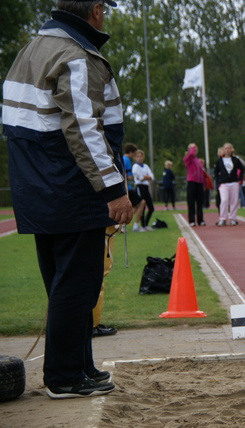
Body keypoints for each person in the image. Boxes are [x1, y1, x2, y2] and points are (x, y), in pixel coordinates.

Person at [3, 0, 132, 399]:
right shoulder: (77, 56)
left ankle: (79, 367)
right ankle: (63, 376)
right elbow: (83, 129)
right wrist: (113, 188)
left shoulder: (31, 48)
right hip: (71, 189)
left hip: (37, 187)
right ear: (94, 10)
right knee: (78, 285)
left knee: (64, 285)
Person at [213, 143, 245, 226]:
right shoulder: (219, 161)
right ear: (223, 150)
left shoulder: (235, 160)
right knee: (224, 200)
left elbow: (242, 169)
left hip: (234, 182)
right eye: (226, 148)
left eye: (229, 148)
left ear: (231, 149)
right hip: (223, 183)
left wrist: (239, 179)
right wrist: (218, 182)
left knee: (234, 201)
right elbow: (216, 172)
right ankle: (222, 218)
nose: (227, 150)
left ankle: (232, 218)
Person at [123, 143, 146, 231]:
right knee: (142, 202)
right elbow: (129, 176)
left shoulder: (121, 158)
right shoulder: (127, 160)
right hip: (126, 187)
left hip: (123, 187)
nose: (134, 156)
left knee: (135, 206)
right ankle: (135, 226)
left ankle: (122, 226)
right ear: (130, 152)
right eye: (134, 153)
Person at [132, 150, 155, 231]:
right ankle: (141, 225)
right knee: (142, 206)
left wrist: (146, 177)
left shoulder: (145, 166)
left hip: (145, 187)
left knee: (151, 208)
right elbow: (140, 178)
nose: (139, 158)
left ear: (143, 157)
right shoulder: (135, 166)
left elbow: (152, 176)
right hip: (139, 187)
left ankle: (145, 224)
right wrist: (146, 177)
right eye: (137, 157)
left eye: (140, 156)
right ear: (135, 158)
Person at [184, 143, 206, 226]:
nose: (194, 151)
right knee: (191, 202)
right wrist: (192, 147)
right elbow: (190, 155)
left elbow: (201, 173)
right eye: (193, 150)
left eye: (196, 150)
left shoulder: (198, 161)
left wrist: (203, 184)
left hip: (199, 183)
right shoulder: (187, 159)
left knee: (200, 203)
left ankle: (200, 220)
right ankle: (191, 220)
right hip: (191, 182)